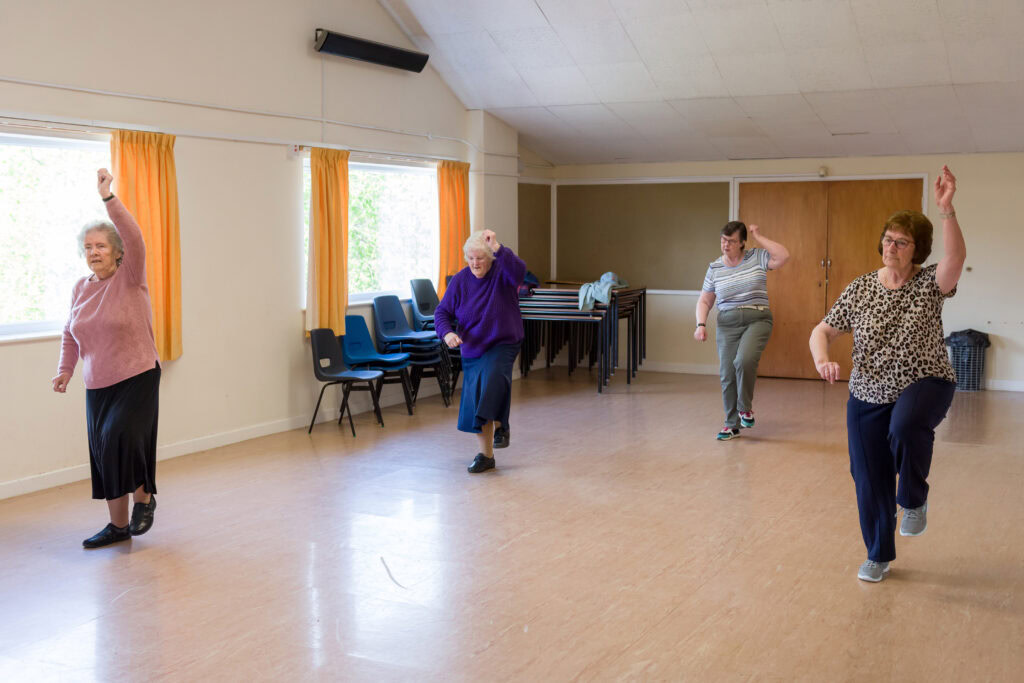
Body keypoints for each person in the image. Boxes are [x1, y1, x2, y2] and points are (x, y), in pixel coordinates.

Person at [809, 166, 965, 583]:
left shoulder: (931, 283)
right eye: (888, 239)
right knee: (867, 475)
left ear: (918, 250)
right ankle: (877, 553)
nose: (891, 246)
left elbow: (956, 259)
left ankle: (913, 500)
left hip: (925, 381)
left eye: (901, 242)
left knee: (907, 424)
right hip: (867, 391)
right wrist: (822, 357)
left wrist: (946, 209)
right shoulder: (861, 287)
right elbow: (822, 330)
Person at [52, 169, 161, 548]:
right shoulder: (80, 288)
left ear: (117, 251)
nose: (94, 252)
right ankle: (117, 527)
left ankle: (144, 496)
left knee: (122, 437)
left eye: (101, 246)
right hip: (97, 383)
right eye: (88, 247)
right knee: (103, 454)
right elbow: (70, 332)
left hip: (137, 374)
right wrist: (65, 370)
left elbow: (135, 235)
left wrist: (108, 197)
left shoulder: (131, 277)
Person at [435, 229, 526, 473]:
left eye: (481, 258)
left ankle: (501, 425)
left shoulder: (503, 273)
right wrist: (447, 333)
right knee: (476, 398)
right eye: (471, 258)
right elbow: (442, 312)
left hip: (504, 341)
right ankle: (486, 455)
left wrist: (498, 246)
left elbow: (520, 272)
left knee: (492, 379)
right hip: (473, 347)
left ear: (491, 258)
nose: (475, 263)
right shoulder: (461, 280)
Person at [695, 221, 790, 440]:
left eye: (731, 241)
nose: (725, 245)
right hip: (727, 323)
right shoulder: (715, 268)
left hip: (757, 319)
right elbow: (705, 301)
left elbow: (783, 256)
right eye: (723, 240)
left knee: (744, 360)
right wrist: (700, 324)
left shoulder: (756, 257)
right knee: (727, 373)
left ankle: (744, 408)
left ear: (742, 243)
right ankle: (731, 425)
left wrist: (759, 236)